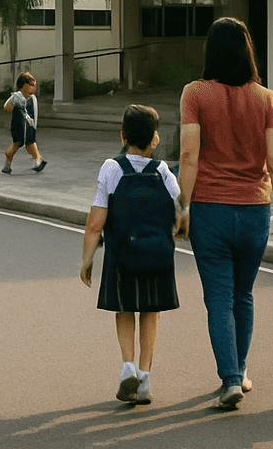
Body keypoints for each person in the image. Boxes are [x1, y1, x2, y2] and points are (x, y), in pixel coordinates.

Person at [176, 16, 273, 410]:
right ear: (247, 51)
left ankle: (229, 378)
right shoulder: (266, 98)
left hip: (210, 210)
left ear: (211, 50)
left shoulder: (194, 93)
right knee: (243, 295)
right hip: (256, 210)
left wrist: (183, 205)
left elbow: (189, 155)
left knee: (219, 298)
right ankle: (240, 371)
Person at [81, 105, 182, 406]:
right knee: (150, 311)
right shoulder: (163, 171)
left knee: (124, 308)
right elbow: (181, 210)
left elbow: (95, 222)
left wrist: (87, 259)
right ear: (154, 139)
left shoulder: (111, 168)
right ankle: (145, 377)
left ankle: (127, 366)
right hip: (157, 255)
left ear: (122, 136)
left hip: (122, 252)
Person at [2, 72, 46, 174]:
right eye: (32, 85)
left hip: (29, 126)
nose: (34, 87)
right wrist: (12, 105)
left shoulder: (32, 98)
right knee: (17, 144)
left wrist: (34, 125)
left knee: (30, 143)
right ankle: (8, 162)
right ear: (24, 85)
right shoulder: (17, 96)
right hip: (19, 126)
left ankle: (38, 161)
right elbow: (7, 107)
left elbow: (34, 113)